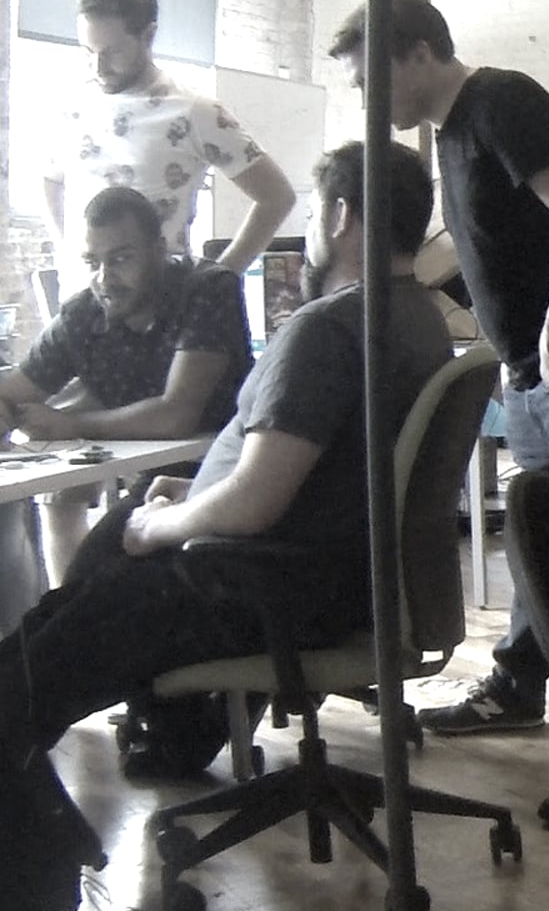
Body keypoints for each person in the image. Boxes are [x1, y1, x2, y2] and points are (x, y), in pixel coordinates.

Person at [0, 140, 455, 787]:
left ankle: (40, 794)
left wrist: (163, 523)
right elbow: (331, 473)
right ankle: (173, 735)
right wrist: (193, 493)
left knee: (39, 664)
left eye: (314, 211)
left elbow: (254, 503)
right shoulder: (419, 317)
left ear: (340, 216)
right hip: (345, 575)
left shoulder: (326, 328)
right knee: (83, 590)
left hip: (264, 585)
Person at [329, 0, 549, 829]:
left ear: (416, 52)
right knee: (541, 548)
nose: (367, 100)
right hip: (542, 377)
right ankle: (516, 685)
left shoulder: (502, 102)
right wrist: (517, 352)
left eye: (370, 79)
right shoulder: (451, 132)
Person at [0, 188, 253, 575]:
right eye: (92, 262)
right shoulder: (83, 314)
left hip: (233, 479)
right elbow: (13, 392)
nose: (104, 278)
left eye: (120, 258)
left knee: (111, 583)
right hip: (154, 484)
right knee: (83, 582)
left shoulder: (208, 288)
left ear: (159, 249)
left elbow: (177, 414)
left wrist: (72, 424)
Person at [45, 0, 295, 276]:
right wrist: (65, 250)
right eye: (88, 51)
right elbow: (50, 179)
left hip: (160, 298)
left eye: (113, 52)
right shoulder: (73, 106)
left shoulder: (194, 112)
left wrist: (218, 278)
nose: (98, 67)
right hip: (80, 298)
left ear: (148, 36)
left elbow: (277, 197)